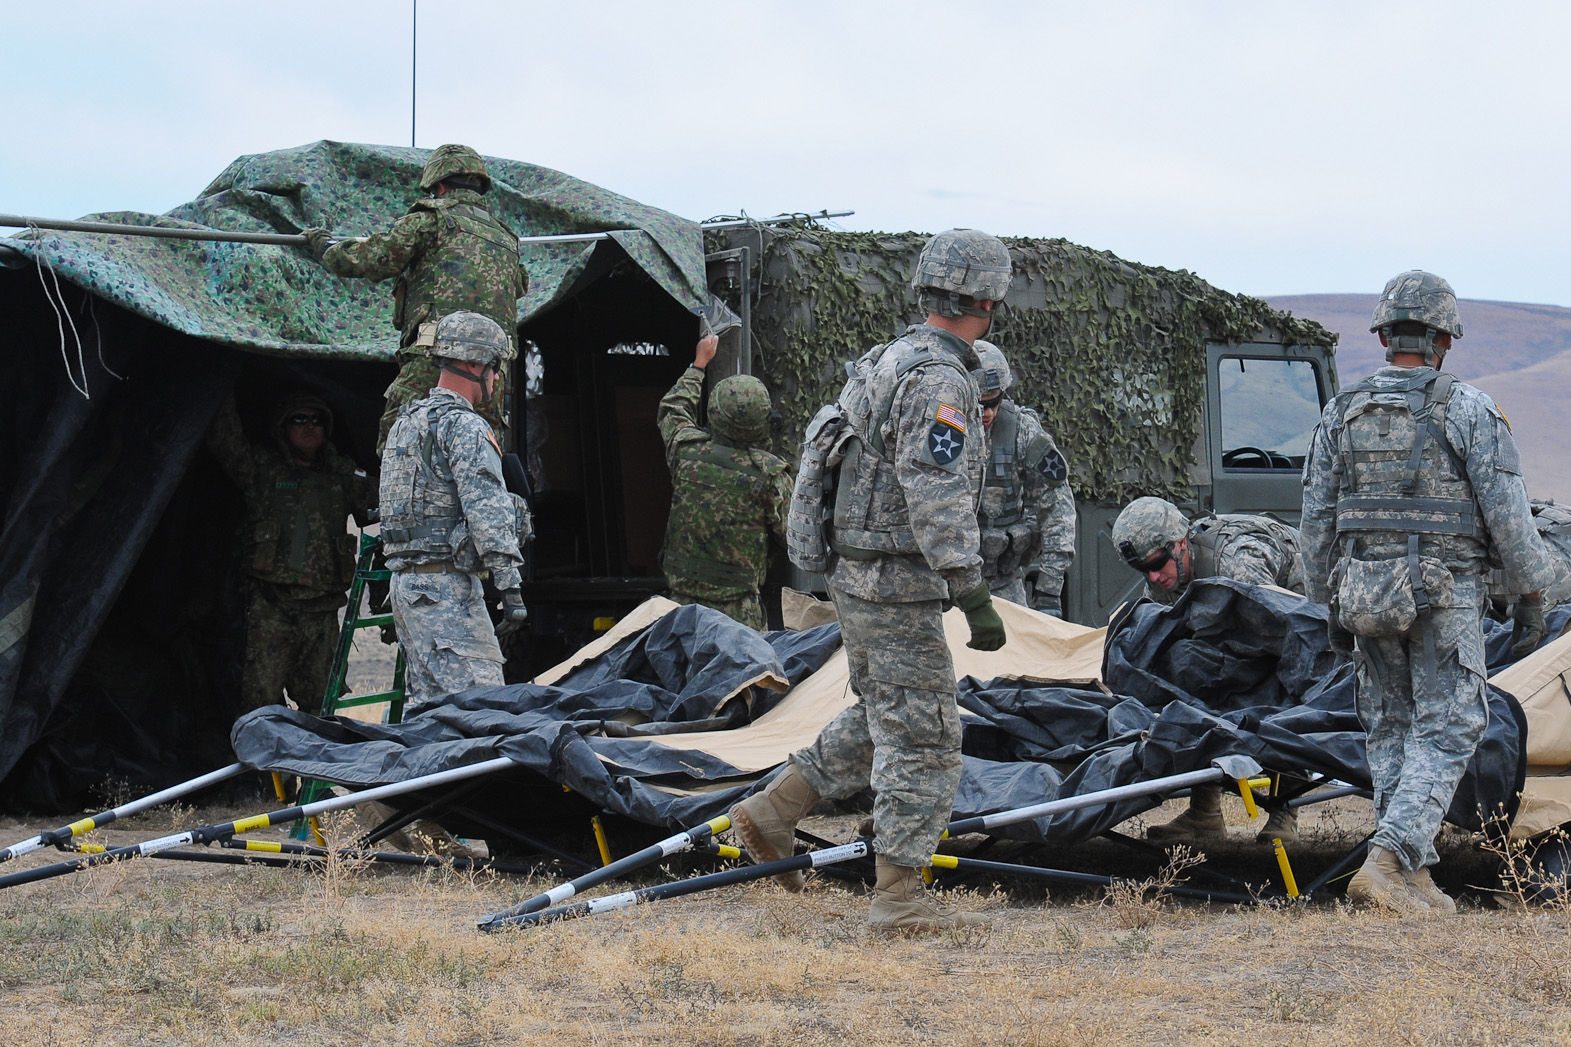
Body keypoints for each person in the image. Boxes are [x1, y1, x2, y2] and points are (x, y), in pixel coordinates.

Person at [729, 228, 1010, 933]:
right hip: (895, 578)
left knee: (885, 707)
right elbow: (935, 488)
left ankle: (772, 811)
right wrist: (972, 592)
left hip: (857, 571)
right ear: (985, 299)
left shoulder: (886, 360)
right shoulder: (943, 379)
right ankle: (898, 899)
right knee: (923, 734)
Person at [1301, 270, 1553, 914]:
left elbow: (1315, 526)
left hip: (1363, 592)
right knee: (1452, 723)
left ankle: (1411, 873)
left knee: (1390, 726)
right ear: (1445, 338)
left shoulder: (1340, 411)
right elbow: (1509, 516)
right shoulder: (1469, 409)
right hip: (1444, 592)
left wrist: (1329, 603)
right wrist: (1531, 597)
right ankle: (1390, 858)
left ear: (1385, 335)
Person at [304, 144, 528, 452]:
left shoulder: (431, 219)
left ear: (439, 184)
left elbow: (374, 259)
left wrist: (326, 247)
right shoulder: (507, 238)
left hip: (436, 359)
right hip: (490, 374)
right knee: (479, 453)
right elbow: (519, 286)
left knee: (401, 445)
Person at [1111, 495, 1306, 844]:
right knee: (1182, 678)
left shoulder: (1237, 563)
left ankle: (1285, 808)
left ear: (1181, 542)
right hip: (1241, 640)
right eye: (1144, 569)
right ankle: (1205, 811)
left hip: (1291, 635)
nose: (1154, 575)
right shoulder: (1161, 580)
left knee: (1281, 699)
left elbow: (1293, 636)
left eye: (1158, 562)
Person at [379, 311, 531, 707]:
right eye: (494, 368)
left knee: (429, 713)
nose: (496, 379)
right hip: (445, 591)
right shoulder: (463, 425)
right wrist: (510, 585)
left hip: (408, 589)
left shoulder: (407, 422)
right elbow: (487, 508)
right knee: (482, 712)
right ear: (473, 364)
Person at [206, 390, 377, 715]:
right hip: (272, 609)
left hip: (322, 614)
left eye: (316, 420)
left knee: (321, 709)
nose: (309, 427)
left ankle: (317, 767)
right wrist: (221, 381)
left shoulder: (341, 475)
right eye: (299, 419)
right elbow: (223, 438)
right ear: (283, 426)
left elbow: (387, 495)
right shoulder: (261, 468)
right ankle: (265, 769)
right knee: (260, 708)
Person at [657, 332, 793, 630]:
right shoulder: (769, 476)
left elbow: (673, 409)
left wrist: (699, 363)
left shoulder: (686, 452)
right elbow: (795, 540)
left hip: (680, 606)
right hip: (738, 614)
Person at [971, 340, 1075, 614]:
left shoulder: (1022, 431)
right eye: (980, 405)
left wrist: (1049, 590)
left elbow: (1057, 510)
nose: (988, 413)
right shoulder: (940, 424)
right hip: (944, 584)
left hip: (1002, 583)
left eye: (995, 402)